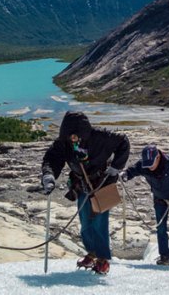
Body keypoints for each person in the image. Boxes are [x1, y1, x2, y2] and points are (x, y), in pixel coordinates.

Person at [41, 111, 130, 275]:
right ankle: (92, 253)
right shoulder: (64, 142)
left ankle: (103, 260)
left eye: (74, 136)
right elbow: (52, 159)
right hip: (81, 184)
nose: (72, 139)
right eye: (69, 136)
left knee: (99, 223)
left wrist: (116, 167)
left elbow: (123, 142)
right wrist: (48, 176)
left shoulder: (101, 137)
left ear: (83, 132)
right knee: (85, 223)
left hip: (102, 183)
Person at [122, 144, 169, 267]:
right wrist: (125, 175)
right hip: (159, 199)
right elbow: (132, 170)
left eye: (151, 164)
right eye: (147, 164)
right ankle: (165, 257)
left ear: (158, 158)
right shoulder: (144, 164)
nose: (149, 167)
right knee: (161, 229)